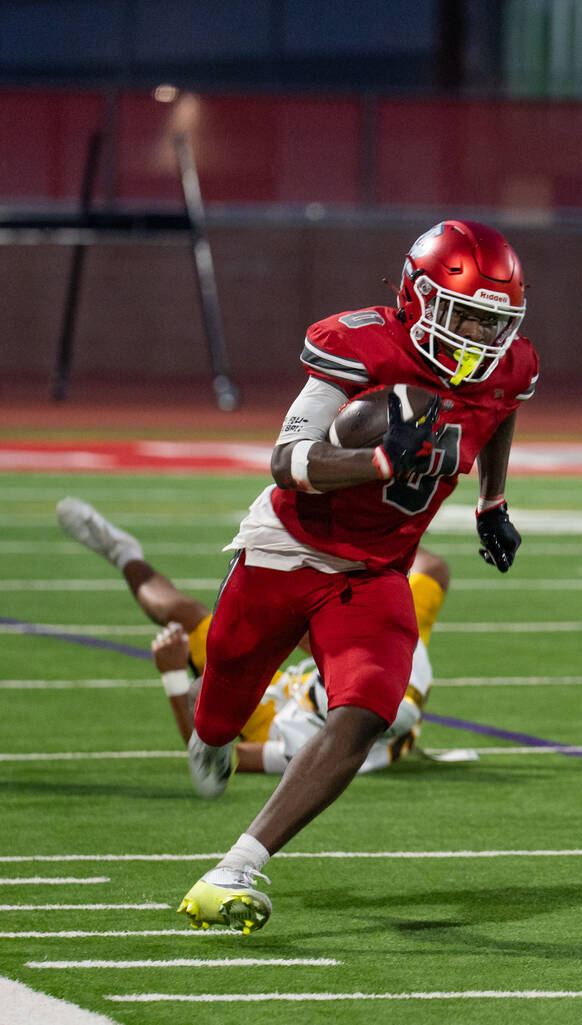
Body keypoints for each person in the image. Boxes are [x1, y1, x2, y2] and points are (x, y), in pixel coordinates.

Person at [150, 219, 536, 933]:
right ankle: (208, 739)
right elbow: (286, 461)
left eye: (494, 321)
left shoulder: (506, 367)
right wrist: (379, 461)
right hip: (289, 547)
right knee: (220, 714)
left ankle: (236, 866)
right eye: (467, 315)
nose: (481, 336)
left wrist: (493, 501)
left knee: (365, 710)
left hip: (376, 569)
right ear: (420, 297)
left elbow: (501, 407)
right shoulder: (360, 344)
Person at [54, 497, 450, 772]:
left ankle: (123, 553)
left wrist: (173, 677)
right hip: (328, 688)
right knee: (428, 572)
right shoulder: (403, 656)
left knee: (184, 615)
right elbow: (426, 575)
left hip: (274, 714)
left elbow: (217, 762)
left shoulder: (305, 744)